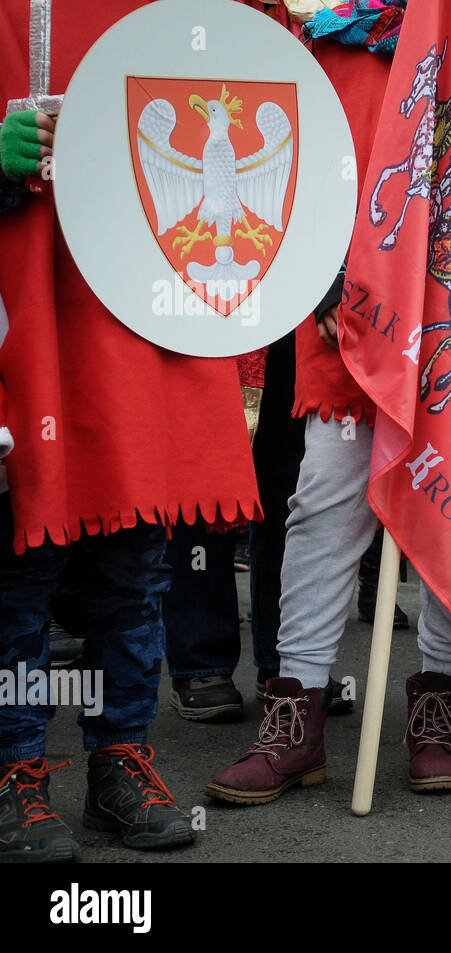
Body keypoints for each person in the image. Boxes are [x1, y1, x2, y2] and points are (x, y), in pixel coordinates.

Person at [206, 1, 451, 805]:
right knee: (323, 502)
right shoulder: (335, 38)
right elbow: (296, 175)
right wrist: (324, 282)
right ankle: (298, 708)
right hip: (351, 317)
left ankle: (438, 702)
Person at [0, 1, 261, 860]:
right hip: (26, 301)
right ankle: (14, 771)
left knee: (138, 555)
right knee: (22, 558)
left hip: (145, 309)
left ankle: (120, 758)